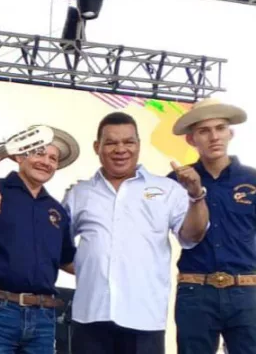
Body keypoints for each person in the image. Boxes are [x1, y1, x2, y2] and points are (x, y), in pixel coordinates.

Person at [63, 111, 209, 354]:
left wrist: (196, 195)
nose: (120, 149)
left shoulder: (167, 189)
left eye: (128, 142)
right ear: (97, 147)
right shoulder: (79, 193)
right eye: (111, 143)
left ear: (139, 145)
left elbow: (192, 236)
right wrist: (92, 267)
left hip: (145, 318)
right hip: (90, 315)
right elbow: (58, 248)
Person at [0, 126, 80, 354]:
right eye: (39, 153)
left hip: (44, 316)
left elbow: (68, 260)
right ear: (20, 156)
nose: (46, 162)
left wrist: (111, 264)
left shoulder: (57, 210)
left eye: (53, 158)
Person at [170, 98, 256, 354]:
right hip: (195, 290)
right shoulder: (175, 182)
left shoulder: (252, 179)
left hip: (247, 289)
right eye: (204, 131)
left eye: (220, 128)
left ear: (231, 133)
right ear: (191, 139)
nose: (214, 137)